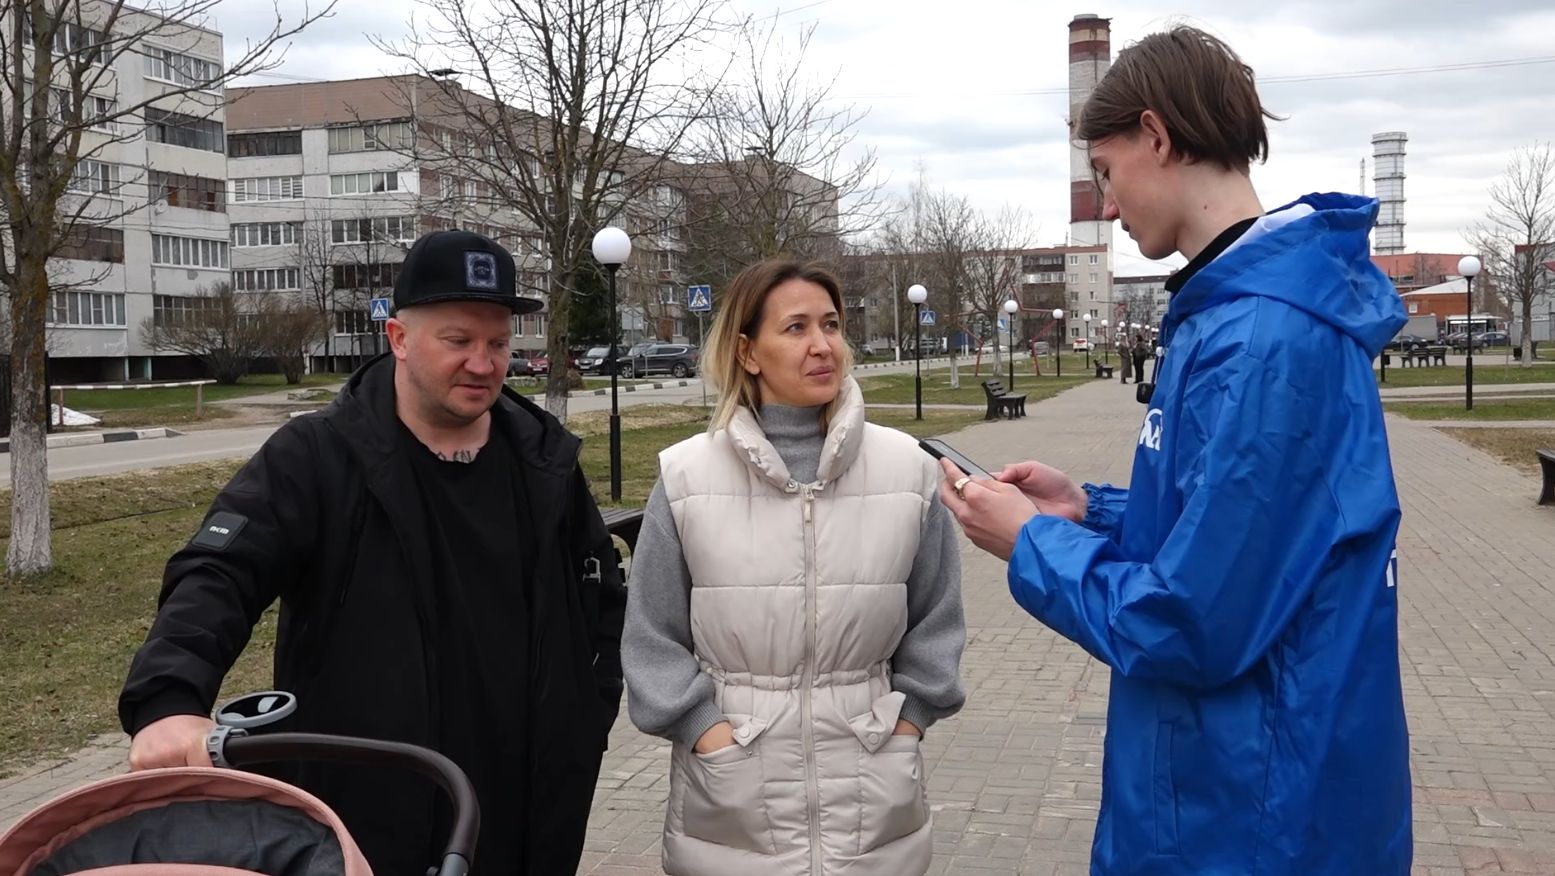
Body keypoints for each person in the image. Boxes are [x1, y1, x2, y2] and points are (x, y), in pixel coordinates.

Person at [937, 25, 1411, 876]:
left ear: (1156, 136)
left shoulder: (1263, 339)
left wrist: (1033, 542)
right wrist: (1090, 509)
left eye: (1106, 173)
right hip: (1226, 783)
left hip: (1251, 811)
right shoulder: (1228, 312)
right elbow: (1242, 534)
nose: (1109, 206)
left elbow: (1192, 621)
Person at [118, 229, 627, 875]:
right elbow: (218, 573)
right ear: (399, 339)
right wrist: (168, 703)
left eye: (497, 343)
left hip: (530, 803)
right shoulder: (317, 456)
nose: (483, 362)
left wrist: (586, 718)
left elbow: (602, 603)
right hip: (371, 801)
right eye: (458, 340)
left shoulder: (545, 462)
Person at [622, 260, 966, 876]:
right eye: (796, 328)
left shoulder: (908, 470)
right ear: (747, 351)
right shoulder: (686, 477)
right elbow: (652, 635)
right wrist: (705, 731)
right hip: (732, 799)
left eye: (832, 325)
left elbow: (938, 620)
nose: (822, 345)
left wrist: (909, 723)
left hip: (872, 789)